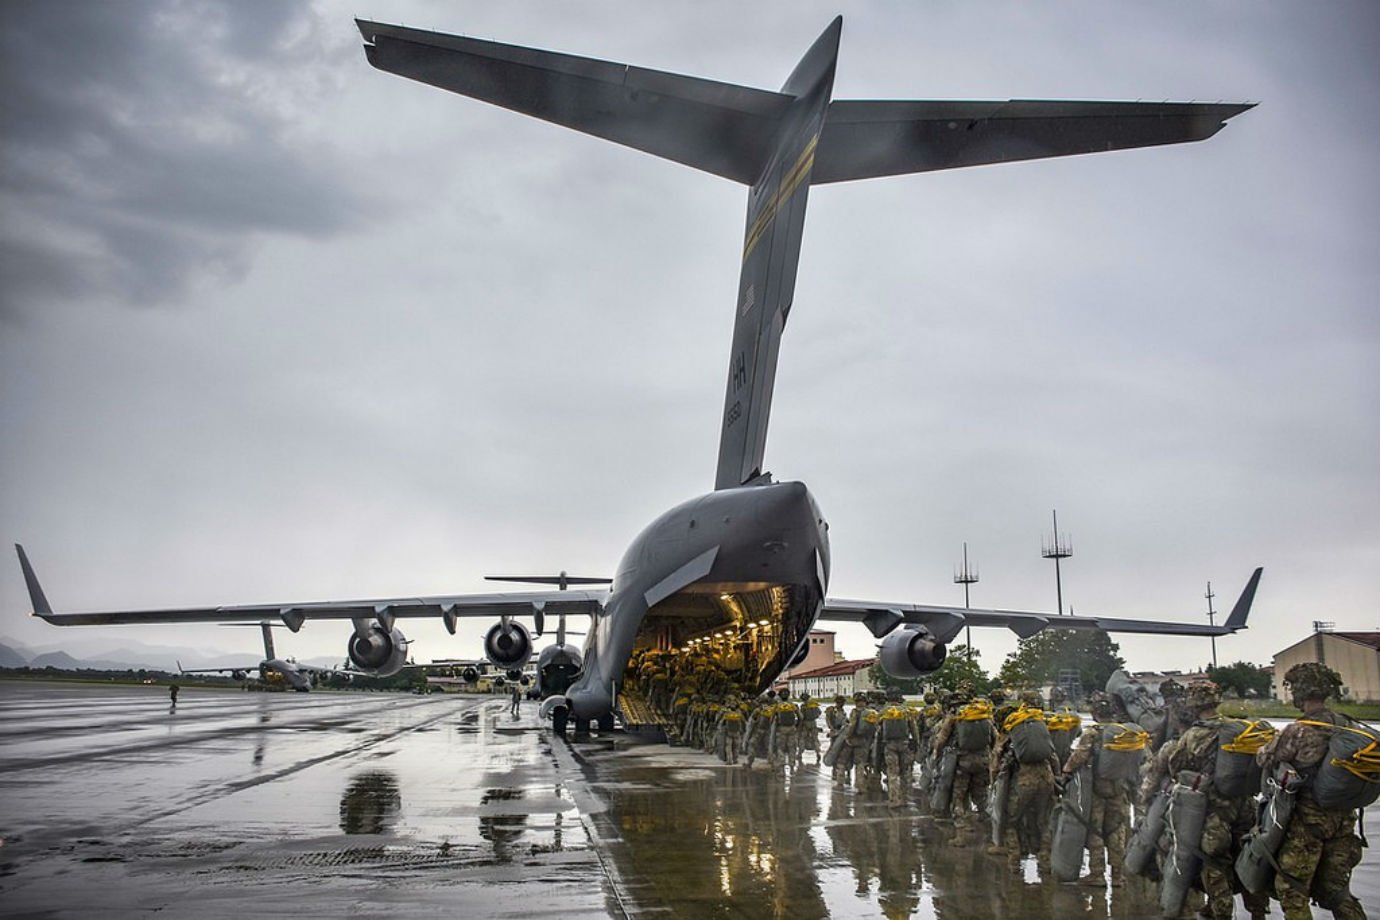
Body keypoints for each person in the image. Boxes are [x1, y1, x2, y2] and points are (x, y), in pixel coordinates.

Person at [1142, 680, 1268, 920]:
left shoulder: (1194, 734)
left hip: (1214, 810)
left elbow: (1175, 766)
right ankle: (1258, 912)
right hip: (1245, 806)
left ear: (1193, 703)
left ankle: (1222, 913)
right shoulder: (1238, 727)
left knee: (1214, 862)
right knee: (1248, 857)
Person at [1256, 662, 1369, 920]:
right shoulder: (1348, 725)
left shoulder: (1299, 730)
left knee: (1291, 887)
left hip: (1308, 822)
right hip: (1343, 819)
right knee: (1337, 892)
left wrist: (1264, 747)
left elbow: (1266, 758)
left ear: (1300, 693)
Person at [1060, 691, 1144, 888]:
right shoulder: (1122, 733)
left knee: (1095, 830)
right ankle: (1118, 876)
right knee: (1117, 830)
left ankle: (1096, 874)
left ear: (1095, 712)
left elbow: (1079, 757)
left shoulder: (1093, 733)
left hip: (1097, 790)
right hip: (1120, 790)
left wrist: (1066, 771)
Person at [988, 695, 1057, 871]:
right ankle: (1045, 862)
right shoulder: (1038, 726)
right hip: (1046, 778)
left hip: (1023, 781)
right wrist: (1057, 778)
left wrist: (994, 780)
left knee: (1012, 820)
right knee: (1043, 821)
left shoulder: (1010, 730)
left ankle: (1014, 862)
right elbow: (1053, 756)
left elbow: (997, 758)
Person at [932, 691, 994, 845]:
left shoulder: (954, 716)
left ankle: (961, 835)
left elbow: (941, 739)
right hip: (983, 760)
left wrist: (936, 755)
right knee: (982, 797)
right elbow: (994, 737)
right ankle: (993, 832)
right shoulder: (982, 714)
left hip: (962, 763)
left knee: (958, 797)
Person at [878, 686, 917, 808]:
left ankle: (894, 800)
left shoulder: (884, 711)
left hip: (889, 745)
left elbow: (878, 728)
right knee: (905, 772)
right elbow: (914, 728)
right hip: (904, 744)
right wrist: (916, 742)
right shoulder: (906, 711)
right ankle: (904, 799)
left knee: (892, 773)